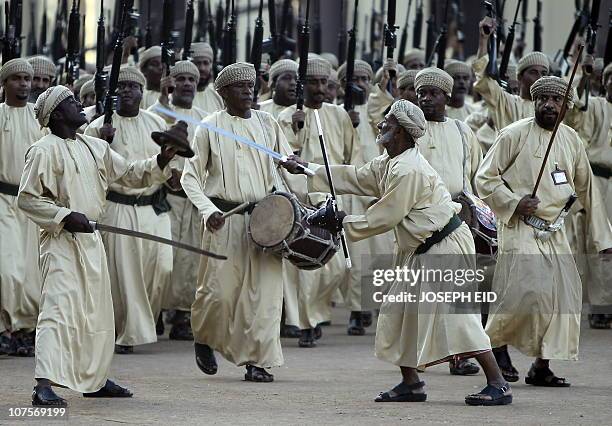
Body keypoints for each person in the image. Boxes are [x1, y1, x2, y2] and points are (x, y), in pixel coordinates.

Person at [281, 99, 512, 406]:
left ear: (402, 131)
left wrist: (341, 222)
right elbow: (356, 177)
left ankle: (498, 384)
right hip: (420, 247)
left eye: (387, 122)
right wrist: (307, 168)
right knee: (398, 312)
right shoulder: (390, 160)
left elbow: (385, 216)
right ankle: (411, 383)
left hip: (444, 247)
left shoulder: (409, 169)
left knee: (458, 319)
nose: (380, 125)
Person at [18, 86, 176, 406]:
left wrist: (161, 159)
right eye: (73, 102)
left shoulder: (94, 147)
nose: (81, 106)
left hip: (92, 241)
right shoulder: (42, 150)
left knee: (97, 314)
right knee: (58, 310)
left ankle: (94, 379)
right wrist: (63, 215)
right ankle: (43, 384)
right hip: (61, 240)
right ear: (58, 114)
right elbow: (28, 199)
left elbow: (130, 174)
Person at [475, 76, 612, 387]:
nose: (549, 104)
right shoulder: (513, 134)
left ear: (567, 106)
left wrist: (603, 238)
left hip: (557, 231)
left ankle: (541, 366)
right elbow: (485, 178)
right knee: (527, 290)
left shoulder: (572, 139)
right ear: (534, 101)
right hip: (520, 226)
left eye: (557, 100)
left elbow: (587, 189)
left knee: (563, 297)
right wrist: (514, 202)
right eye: (543, 99)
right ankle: (497, 346)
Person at [181, 62, 306, 382]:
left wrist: (292, 166)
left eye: (251, 86)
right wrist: (208, 211)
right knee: (217, 294)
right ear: (223, 93)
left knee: (264, 296)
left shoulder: (267, 123)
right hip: (224, 220)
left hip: (266, 222)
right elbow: (190, 177)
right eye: (239, 87)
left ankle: (258, 361)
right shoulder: (209, 126)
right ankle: (204, 337)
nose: (248, 92)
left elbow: (284, 162)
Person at [85, 66, 173, 355]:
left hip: (153, 207)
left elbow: (171, 168)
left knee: (161, 267)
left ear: (141, 91)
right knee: (123, 273)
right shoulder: (97, 127)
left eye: (132, 86)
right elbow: (92, 170)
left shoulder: (156, 122)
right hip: (119, 206)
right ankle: (126, 332)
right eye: (120, 86)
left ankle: (146, 320)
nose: (126, 91)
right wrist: (101, 140)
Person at [277, 56, 358, 347]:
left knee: (333, 267)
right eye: (313, 82)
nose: (320, 87)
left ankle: (316, 313)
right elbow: (282, 157)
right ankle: (305, 323)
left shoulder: (339, 115)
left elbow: (352, 155)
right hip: (299, 199)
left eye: (324, 82)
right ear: (302, 85)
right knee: (301, 267)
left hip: (331, 198)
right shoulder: (286, 117)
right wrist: (293, 130)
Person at [149, 60, 207, 340]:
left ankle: (183, 317)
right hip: (165, 198)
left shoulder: (206, 118)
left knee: (190, 261)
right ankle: (155, 312)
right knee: (163, 259)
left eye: (191, 80)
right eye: (180, 79)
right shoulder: (158, 112)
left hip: (193, 198)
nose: (185, 84)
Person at [337, 58, 395, 335]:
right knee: (355, 255)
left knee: (381, 254)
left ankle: (377, 306)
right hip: (350, 192)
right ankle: (357, 311)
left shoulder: (376, 111)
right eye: (353, 79)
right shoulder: (335, 112)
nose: (358, 84)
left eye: (363, 79)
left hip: (378, 190)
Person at [0, 59, 44, 357]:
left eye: (28, 78)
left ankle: (26, 330)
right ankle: (4, 328)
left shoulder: (41, 118)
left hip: (34, 203)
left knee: (31, 273)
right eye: (17, 78)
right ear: (4, 83)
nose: (25, 84)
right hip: (3, 200)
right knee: (7, 269)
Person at [564, 61, 612, 329]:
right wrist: (583, 75)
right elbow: (574, 113)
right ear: (604, 82)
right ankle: (600, 305)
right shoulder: (594, 105)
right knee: (599, 244)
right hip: (597, 181)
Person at [473, 16, 549, 131]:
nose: (539, 78)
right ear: (519, 77)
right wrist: (483, 40)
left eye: (544, 73)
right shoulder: (506, 103)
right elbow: (483, 79)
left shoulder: (550, 109)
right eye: (533, 72)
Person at [185, 42, 224, 113]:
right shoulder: (179, 95)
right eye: (197, 63)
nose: (202, 68)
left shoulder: (217, 95)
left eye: (205, 63)